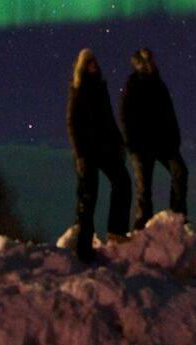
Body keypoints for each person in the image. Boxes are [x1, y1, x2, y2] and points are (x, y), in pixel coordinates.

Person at [66, 48, 130, 262]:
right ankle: (83, 247)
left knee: (122, 182)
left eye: (95, 61)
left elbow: (109, 117)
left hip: (105, 148)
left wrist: (119, 141)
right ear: (83, 66)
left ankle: (116, 231)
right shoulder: (78, 88)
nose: (94, 64)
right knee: (88, 195)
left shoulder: (101, 87)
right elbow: (72, 122)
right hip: (86, 150)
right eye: (89, 62)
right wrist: (79, 155)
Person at [119, 47, 188, 230]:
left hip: (164, 142)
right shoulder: (132, 83)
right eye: (149, 59)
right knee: (144, 189)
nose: (153, 61)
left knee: (180, 172)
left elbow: (169, 113)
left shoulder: (159, 83)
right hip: (141, 145)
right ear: (140, 63)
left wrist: (175, 138)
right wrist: (131, 143)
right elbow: (124, 114)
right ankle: (142, 228)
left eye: (152, 58)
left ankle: (177, 217)